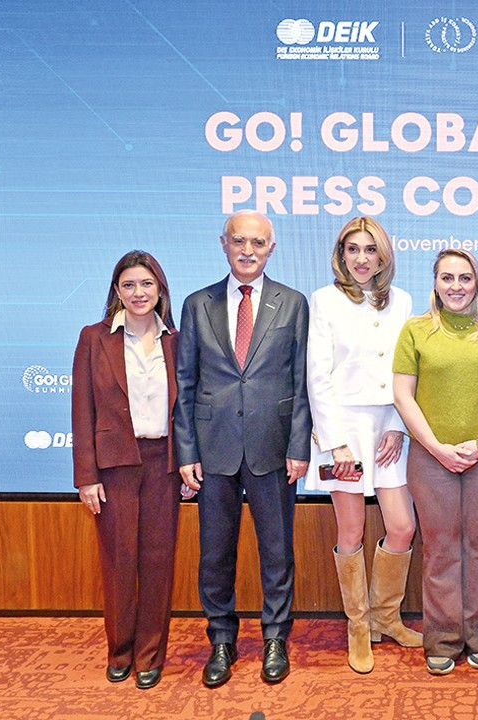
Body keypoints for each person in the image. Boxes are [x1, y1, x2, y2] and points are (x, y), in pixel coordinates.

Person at [173, 210, 312, 688]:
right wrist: (186, 452)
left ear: (271, 248)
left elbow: (301, 381)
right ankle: (221, 640)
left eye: (257, 242)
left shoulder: (292, 303)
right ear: (223, 244)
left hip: (273, 446)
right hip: (212, 450)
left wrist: (299, 445)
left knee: (277, 551)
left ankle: (275, 638)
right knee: (215, 553)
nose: (247, 251)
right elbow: (185, 383)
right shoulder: (197, 304)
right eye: (239, 241)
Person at [392, 248, 478, 676]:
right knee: (440, 549)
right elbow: (403, 396)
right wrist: (436, 447)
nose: (456, 286)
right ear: (435, 283)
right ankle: (444, 639)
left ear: (477, 282)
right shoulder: (416, 331)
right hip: (430, 458)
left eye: (465, 278)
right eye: (447, 278)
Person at [306, 217, 420, 674]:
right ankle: (358, 626)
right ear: (341, 254)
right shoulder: (324, 300)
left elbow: (408, 370)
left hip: (389, 427)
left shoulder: (404, 301)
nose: (361, 258)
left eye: (370, 249)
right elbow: (318, 376)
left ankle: (385, 617)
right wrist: (336, 444)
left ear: (383, 256)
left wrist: (399, 425)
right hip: (343, 432)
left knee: (402, 526)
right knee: (350, 530)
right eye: (352, 249)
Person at [71, 250, 180, 691]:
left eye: (147, 284)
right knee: (118, 561)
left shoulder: (177, 340)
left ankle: (150, 654)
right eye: (129, 285)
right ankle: (120, 651)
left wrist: (189, 463)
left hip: (163, 464)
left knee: (157, 562)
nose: (138, 293)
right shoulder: (94, 338)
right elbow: (82, 409)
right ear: (117, 290)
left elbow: (189, 408)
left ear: (160, 290)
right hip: (115, 466)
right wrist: (86, 476)